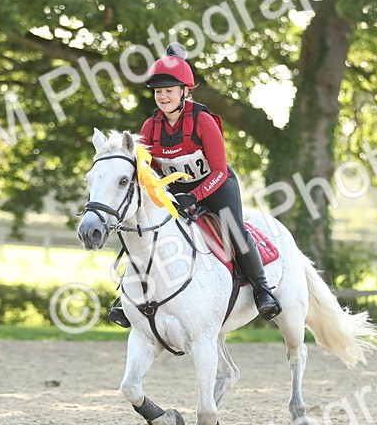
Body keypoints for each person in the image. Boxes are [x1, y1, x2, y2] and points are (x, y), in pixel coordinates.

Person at [107, 44, 282, 327]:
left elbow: (219, 170)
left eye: (169, 90)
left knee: (234, 229)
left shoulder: (203, 121)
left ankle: (263, 290)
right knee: (148, 233)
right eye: (158, 92)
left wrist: (196, 195)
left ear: (184, 92)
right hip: (175, 190)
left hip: (215, 186)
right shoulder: (150, 127)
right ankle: (129, 297)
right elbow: (147, 171)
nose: (163, 96)